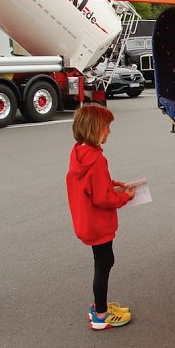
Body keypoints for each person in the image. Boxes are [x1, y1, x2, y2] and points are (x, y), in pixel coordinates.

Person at [66, 103, 136, 331]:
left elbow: (90, 186)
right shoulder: (97, 160)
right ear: (96, 128)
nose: (109, 131)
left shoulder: (79, 153)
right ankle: (101, 314)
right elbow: (103, 199)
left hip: (85, 220)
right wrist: (125, 196)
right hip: (98, 223)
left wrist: (110, 183)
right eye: (107, 127)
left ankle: (99, 305)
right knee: (104, 263)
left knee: (103, 261)